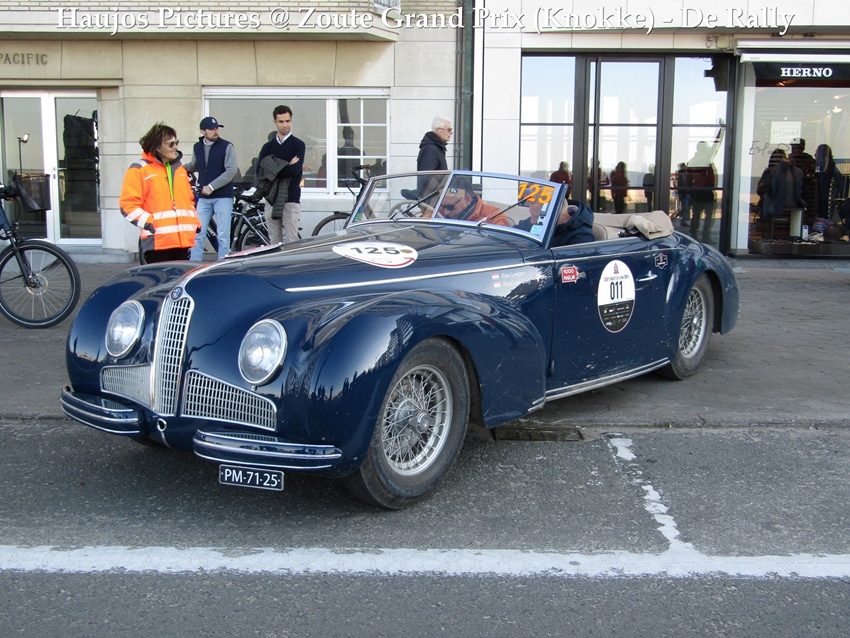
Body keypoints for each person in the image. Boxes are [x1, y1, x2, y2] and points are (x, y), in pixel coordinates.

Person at [119, 122, 199, 263]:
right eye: (171, 144)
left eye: (176, 143)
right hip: (157, 243)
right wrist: (150, 223)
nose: (175, 147)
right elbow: (128, 205)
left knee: (181, 277)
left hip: (182, 242)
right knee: (160, 278)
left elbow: (189, 201)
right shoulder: (139, 170)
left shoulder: (180, 170)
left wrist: (194, 222)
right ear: (157, 146)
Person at [183, 116, 237, 261]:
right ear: (203, 131)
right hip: (204, 198)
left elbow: (231, 170)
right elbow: (194, 165)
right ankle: (194, 267)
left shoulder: (227, 146)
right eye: (211, 129)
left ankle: (222, 267)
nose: (215, 131)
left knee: (223, 236)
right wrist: (179, 169)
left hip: (223, 197)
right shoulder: (198, 147)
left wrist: (212, 186)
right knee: (197, 233)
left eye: (216, 128)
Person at [257, 105, 305, 244]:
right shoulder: (268, 147)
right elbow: (261, 172)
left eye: (288, 121)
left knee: (292, 243)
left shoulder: (298, 145)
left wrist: (274, 167)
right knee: (274, 244)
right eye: (281, 121)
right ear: (275, 122)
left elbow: (294, 171)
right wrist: (287, 164)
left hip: (290, 198)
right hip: (271, 198)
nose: (285, 125)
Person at [757, 148, 806, 221]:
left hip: (783, 209)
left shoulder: (797, 172)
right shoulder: (798, 172)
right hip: (791, 209)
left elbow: (761, 191)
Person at [437, 181, 509, 225]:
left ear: (467, 199)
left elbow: (499, 242)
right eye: (443, 206)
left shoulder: (493, 215)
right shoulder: (440, 212)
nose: (446, 212)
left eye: (450, 207)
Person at [686, 141, 717, 243]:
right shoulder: (707, 162)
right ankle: (705, 236)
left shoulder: (692, 162)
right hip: (706, 192)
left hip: (697, 193)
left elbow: (688, 181)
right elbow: (711, 179)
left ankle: (693, 236)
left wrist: (691, 192)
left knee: (696, 216)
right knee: (708, 217)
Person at [814, 143, 843, 219]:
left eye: (816, 153)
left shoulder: (822, 164)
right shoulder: (832, 165)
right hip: (830, 197)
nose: (815, 155)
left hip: (823, 196)